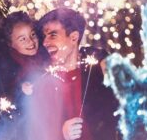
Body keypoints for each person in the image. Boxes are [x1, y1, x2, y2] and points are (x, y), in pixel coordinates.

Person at [35, 8, 120, 140]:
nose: (45, 43)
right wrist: (61, 133)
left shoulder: (97, 69)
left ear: (74, 37)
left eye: (53, 35)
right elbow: (37, 130)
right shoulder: (44, 80)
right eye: (44, 37)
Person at [0, 11, 49, 140]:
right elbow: (3, 98)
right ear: (10, 43)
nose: (31, 42)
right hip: (18, 129)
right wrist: (20, 89)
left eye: (32, 35)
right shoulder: (4, 65)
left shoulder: (45, 56)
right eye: (22, 39)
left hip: (45, 122)